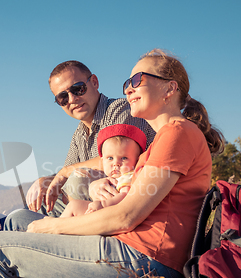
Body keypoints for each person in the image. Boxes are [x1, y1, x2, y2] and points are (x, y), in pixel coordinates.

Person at [0, 49, 224, 278]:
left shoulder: (177, 133)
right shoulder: (163, 141)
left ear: (170, 88)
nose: (128, 89)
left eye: (137, 81)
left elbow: (126, 216)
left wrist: (51, 227)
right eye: (126, 83)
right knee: (19, 220)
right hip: (131, 251)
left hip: (146, 261)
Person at [26, 60, 155, 216]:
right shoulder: (79, 134)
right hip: (92, 202)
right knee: (35, 203)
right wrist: (46, 180)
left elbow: (119, 160)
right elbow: (66, 174)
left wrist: (65, 172)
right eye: (63, 97)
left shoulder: (120, 110)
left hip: (125, 200)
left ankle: (68, 231)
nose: (72, 99)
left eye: (77, 89)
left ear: (94, 82)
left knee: (76, 181)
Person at [59, 124, 146, 217]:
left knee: (73, 206)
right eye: (110, 158)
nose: (116, 163)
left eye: (124, 158)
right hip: (104, 211)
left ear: (137, 160)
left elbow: (124, 196)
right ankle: (58, 225)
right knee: (73, 205)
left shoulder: (127, 177)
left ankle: (57, 226)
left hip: (113, 214)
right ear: (102, 161)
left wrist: (103, 204)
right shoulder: (113, 178)